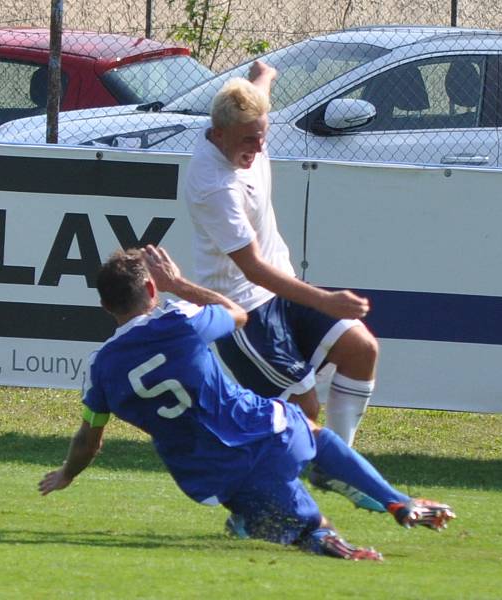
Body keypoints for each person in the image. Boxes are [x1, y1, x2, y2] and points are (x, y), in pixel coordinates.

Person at [38, 246, 455, 560]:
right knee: (316, 434)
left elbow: (88, 440)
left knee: (301, 529)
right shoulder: (180, 319)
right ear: (151, 288)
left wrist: (67, 474)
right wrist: (179, 284)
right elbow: (238, 314)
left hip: (217, 475)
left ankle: (327, 540)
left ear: (104, 306)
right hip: (267, 430)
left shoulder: (101, 368)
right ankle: (394, 499)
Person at [183, 60, 382, 511]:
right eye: (248, 140)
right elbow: (252, 268)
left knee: (361, 350)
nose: (258, 146)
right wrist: (327, 301)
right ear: (218, 133)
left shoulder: (242, 118)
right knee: (301, 413)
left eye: (262, 135)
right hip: (243, 312)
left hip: (283, 291)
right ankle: (253, 506)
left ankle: (337, 465)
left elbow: (256, 91)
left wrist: (265, 72)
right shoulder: (214, 185)